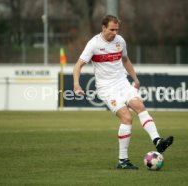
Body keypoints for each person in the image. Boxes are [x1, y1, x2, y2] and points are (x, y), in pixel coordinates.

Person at [73, 15, 173, 170]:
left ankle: (157, 141)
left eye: (116, 29)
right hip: (106, 89)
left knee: (139, 106)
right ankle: (123, 160)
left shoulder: (120, 41)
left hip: (123, 83)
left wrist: (135, 79)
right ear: (103, 28)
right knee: (127, 117)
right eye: (111, 29)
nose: (114, 33)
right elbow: (78, 65)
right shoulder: (93, 44)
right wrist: (76, 84)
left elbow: (125, 60)